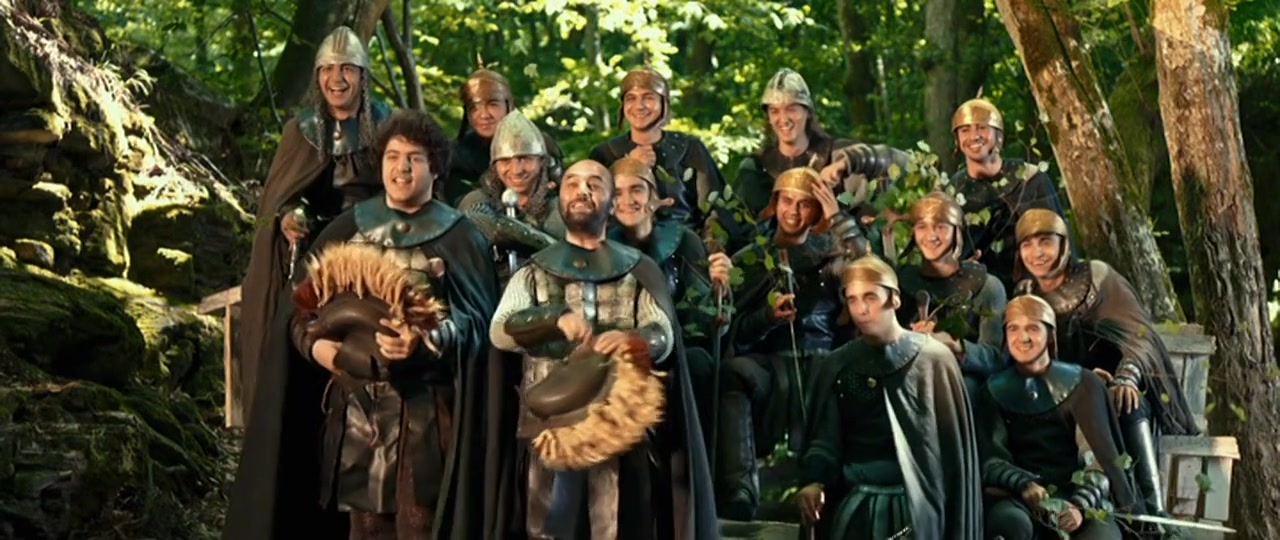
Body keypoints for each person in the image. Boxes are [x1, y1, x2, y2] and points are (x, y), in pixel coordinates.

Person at [224, 110, 510, 540]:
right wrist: (318, 349)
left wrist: (427, 339)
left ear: (435, 167)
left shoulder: (459, 236)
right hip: (357, 411)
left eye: (414, 157)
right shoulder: (347, 228)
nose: (402, 168)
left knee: (419, 525)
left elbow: (475, 323)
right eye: (393, 156)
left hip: (428, 414)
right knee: (365, 528)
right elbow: (299, 312)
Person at [489, 159, 718, 540]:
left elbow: (663, 334)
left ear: (611, 203)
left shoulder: (637, 269)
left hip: (619, 422)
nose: (583, 191)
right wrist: (551, 319)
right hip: (551, 427)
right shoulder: (533, 271)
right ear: (560, 199)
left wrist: (637, 340)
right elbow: (500, 331)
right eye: (573, 183)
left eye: (595, 184)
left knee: (617, 524)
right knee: (546, 527)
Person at [240, 25, 392, 419]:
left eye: (347, 69)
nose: (336, 79)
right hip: (318, 251)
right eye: (327, 69)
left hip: (381, 246)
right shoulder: (300, 130)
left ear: (363, 75)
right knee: (290, 321)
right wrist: (289, 216)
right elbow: (280, 198)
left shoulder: (388, 124)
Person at [1013, 208, 1200, 526]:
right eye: (1027, 245)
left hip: (1113, 384)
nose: (1037, 253)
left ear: (1064, 243)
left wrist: (1127, 377)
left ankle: (1150, 512)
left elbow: (1139, 335)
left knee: (1126, 401)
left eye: (1045, 241)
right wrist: (1076, 379)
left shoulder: (1097, 277)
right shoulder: (1025, 293)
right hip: (1059, 389)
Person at [717, 166, 868, 520]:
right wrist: (768, 318)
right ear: (775, 203)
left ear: (817, 210)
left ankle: (845, 487)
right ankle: (740, 486)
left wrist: (837, 218)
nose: (794, 212)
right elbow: (738, 332)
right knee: (732, 373)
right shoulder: (751, 258)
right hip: (769, 363)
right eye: (787, 201)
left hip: (824, 360)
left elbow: (869, 273)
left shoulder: (832, 256)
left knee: (858, 384)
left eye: (805, 204)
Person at [795, 255, 982, 539]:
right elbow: (825, 438)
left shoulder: (933, 361)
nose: (861, 308)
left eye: (870, 297)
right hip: (858, 504)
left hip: (922, 509)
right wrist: (814, 481)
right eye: (853, 299)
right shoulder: (839, 365)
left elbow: (952, 459)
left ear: (894, 299)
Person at [979, 294, 1137, 540]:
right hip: (1019, 499)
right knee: (1008, 524)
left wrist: (1080, 505)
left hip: (1078, 498)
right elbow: (991, 458)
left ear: (1050, 335)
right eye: (1013, 329)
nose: (1022, 337)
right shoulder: (993, 390)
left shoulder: (1084, 384)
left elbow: (1098, 461)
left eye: (1033, 328)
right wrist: (1022, 484)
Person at [606, 156, 733, 448]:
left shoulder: (684, 241)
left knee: (699, 364)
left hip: (679, 348)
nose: (627, 200)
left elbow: (705, 318)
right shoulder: (602, 245)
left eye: (636, 190)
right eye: (618, 192)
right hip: (622, 349)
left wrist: (718, 292)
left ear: (654, 197)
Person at [588, 67, 732, 241]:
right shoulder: (603, 154)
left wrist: (710, 247)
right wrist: (630, 167)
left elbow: (717, 208)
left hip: (684, 245)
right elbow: (592, 214)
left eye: (648, 97)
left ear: (663, 102)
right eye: (631, 98)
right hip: (622, 248)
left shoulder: (691, 148)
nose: (639, 106)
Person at [949, 97, 1071, 292]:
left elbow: (1058, 244)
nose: (974, 136)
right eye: (965, 130)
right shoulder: (954, 189)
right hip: (980, 291)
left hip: (1035, 287)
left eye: (982, 128)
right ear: (957, 139)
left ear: (998, 134)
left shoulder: (1031, 180)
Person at [894, 192, 1007, 396]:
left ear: (957, 231)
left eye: (941, 227)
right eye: (922, 227)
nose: (931, 236)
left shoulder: (987, 286)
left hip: (963, 390)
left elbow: (995, 359)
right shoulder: (899, 282)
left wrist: (955, 344)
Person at [457, 110, 563, 286]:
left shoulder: (559, 209)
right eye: (505, 161)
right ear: (494, 166)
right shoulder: (476, 202)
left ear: (541, 162)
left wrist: (528, 239)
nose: (517, 170)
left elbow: (566, 261)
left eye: (525, 158)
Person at [446, 68, 563, 205]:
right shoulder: (454, 156)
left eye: (493, 105)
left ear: (509, 105)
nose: (484, 115)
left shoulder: (538, 144)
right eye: (474, 107)